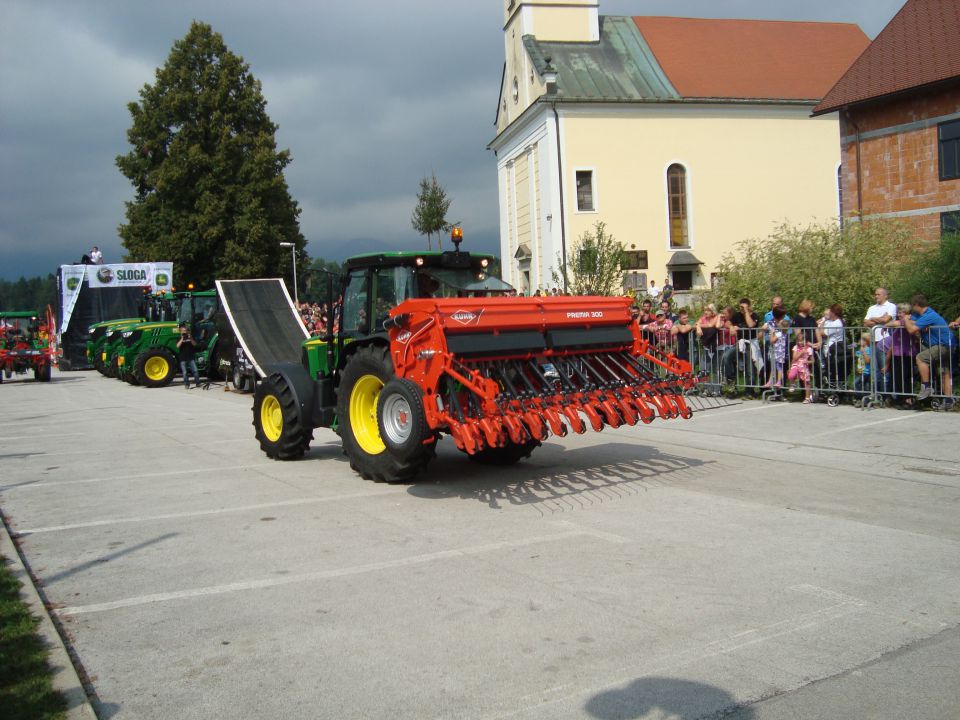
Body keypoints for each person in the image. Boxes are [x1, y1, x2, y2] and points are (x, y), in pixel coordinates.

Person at [904, 294, 956, 404]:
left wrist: (905, 320)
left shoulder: (929, 315)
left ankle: (926, 386)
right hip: (941, 345)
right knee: (943, 372)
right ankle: (948, 400)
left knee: (921, 358)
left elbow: (911, 329)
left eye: (913, 306)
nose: (912, 309)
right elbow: (911, 322)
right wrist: (910, 321)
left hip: (944, 345)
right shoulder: (920, 315)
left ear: (917, 305)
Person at [884, 303, 918, 407]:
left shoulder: (909, 321)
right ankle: (901, 399)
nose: (898, 314)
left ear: (906, 313)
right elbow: (893, 323)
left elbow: (894, 323)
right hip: (897, 353)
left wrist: (886, 324)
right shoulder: (901, 323)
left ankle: (907, 399)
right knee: (898, 377)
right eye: (898, 312)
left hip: (906, 353)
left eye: (900, 312)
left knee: (905, 376)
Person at [863, 287, 897, 375]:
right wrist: (881, 319)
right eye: (875, 294)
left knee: (884, 369)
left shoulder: (891, 306)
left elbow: (886, 320)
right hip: (874, 341)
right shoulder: (872, 308)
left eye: (878, 294)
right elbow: (865, 323)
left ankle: (886, 389)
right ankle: (877, 389)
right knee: (875, 370)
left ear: (885, 296)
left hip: (885, 342)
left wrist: (873, 318)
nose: (876, 296)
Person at [788, 334, 815, 403]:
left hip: (804, 366)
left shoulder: (809, 349)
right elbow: (794, 358)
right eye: (799, 341)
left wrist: (807, 361)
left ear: (806, 341)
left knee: (806, 382)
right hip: (796, 364)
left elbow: (813, 360)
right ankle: (793, 384)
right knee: (791, 375)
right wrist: (801, 352)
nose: (800, 342)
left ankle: (807, 398)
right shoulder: (795, 347)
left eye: (802, 340)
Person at [176, 324, 201, 389]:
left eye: (185, 331)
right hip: (183, 358)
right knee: (184, 373)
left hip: (191, 357)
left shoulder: (190, 337)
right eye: (183, 331)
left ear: (187, 331)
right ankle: (187, 384)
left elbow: (195, 344)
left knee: (195, 371)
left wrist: (190, 338)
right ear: (180, 331)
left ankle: (198, 383)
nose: (184, 332)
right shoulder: (179, 338)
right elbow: (178, 346)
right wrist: (182, 339)